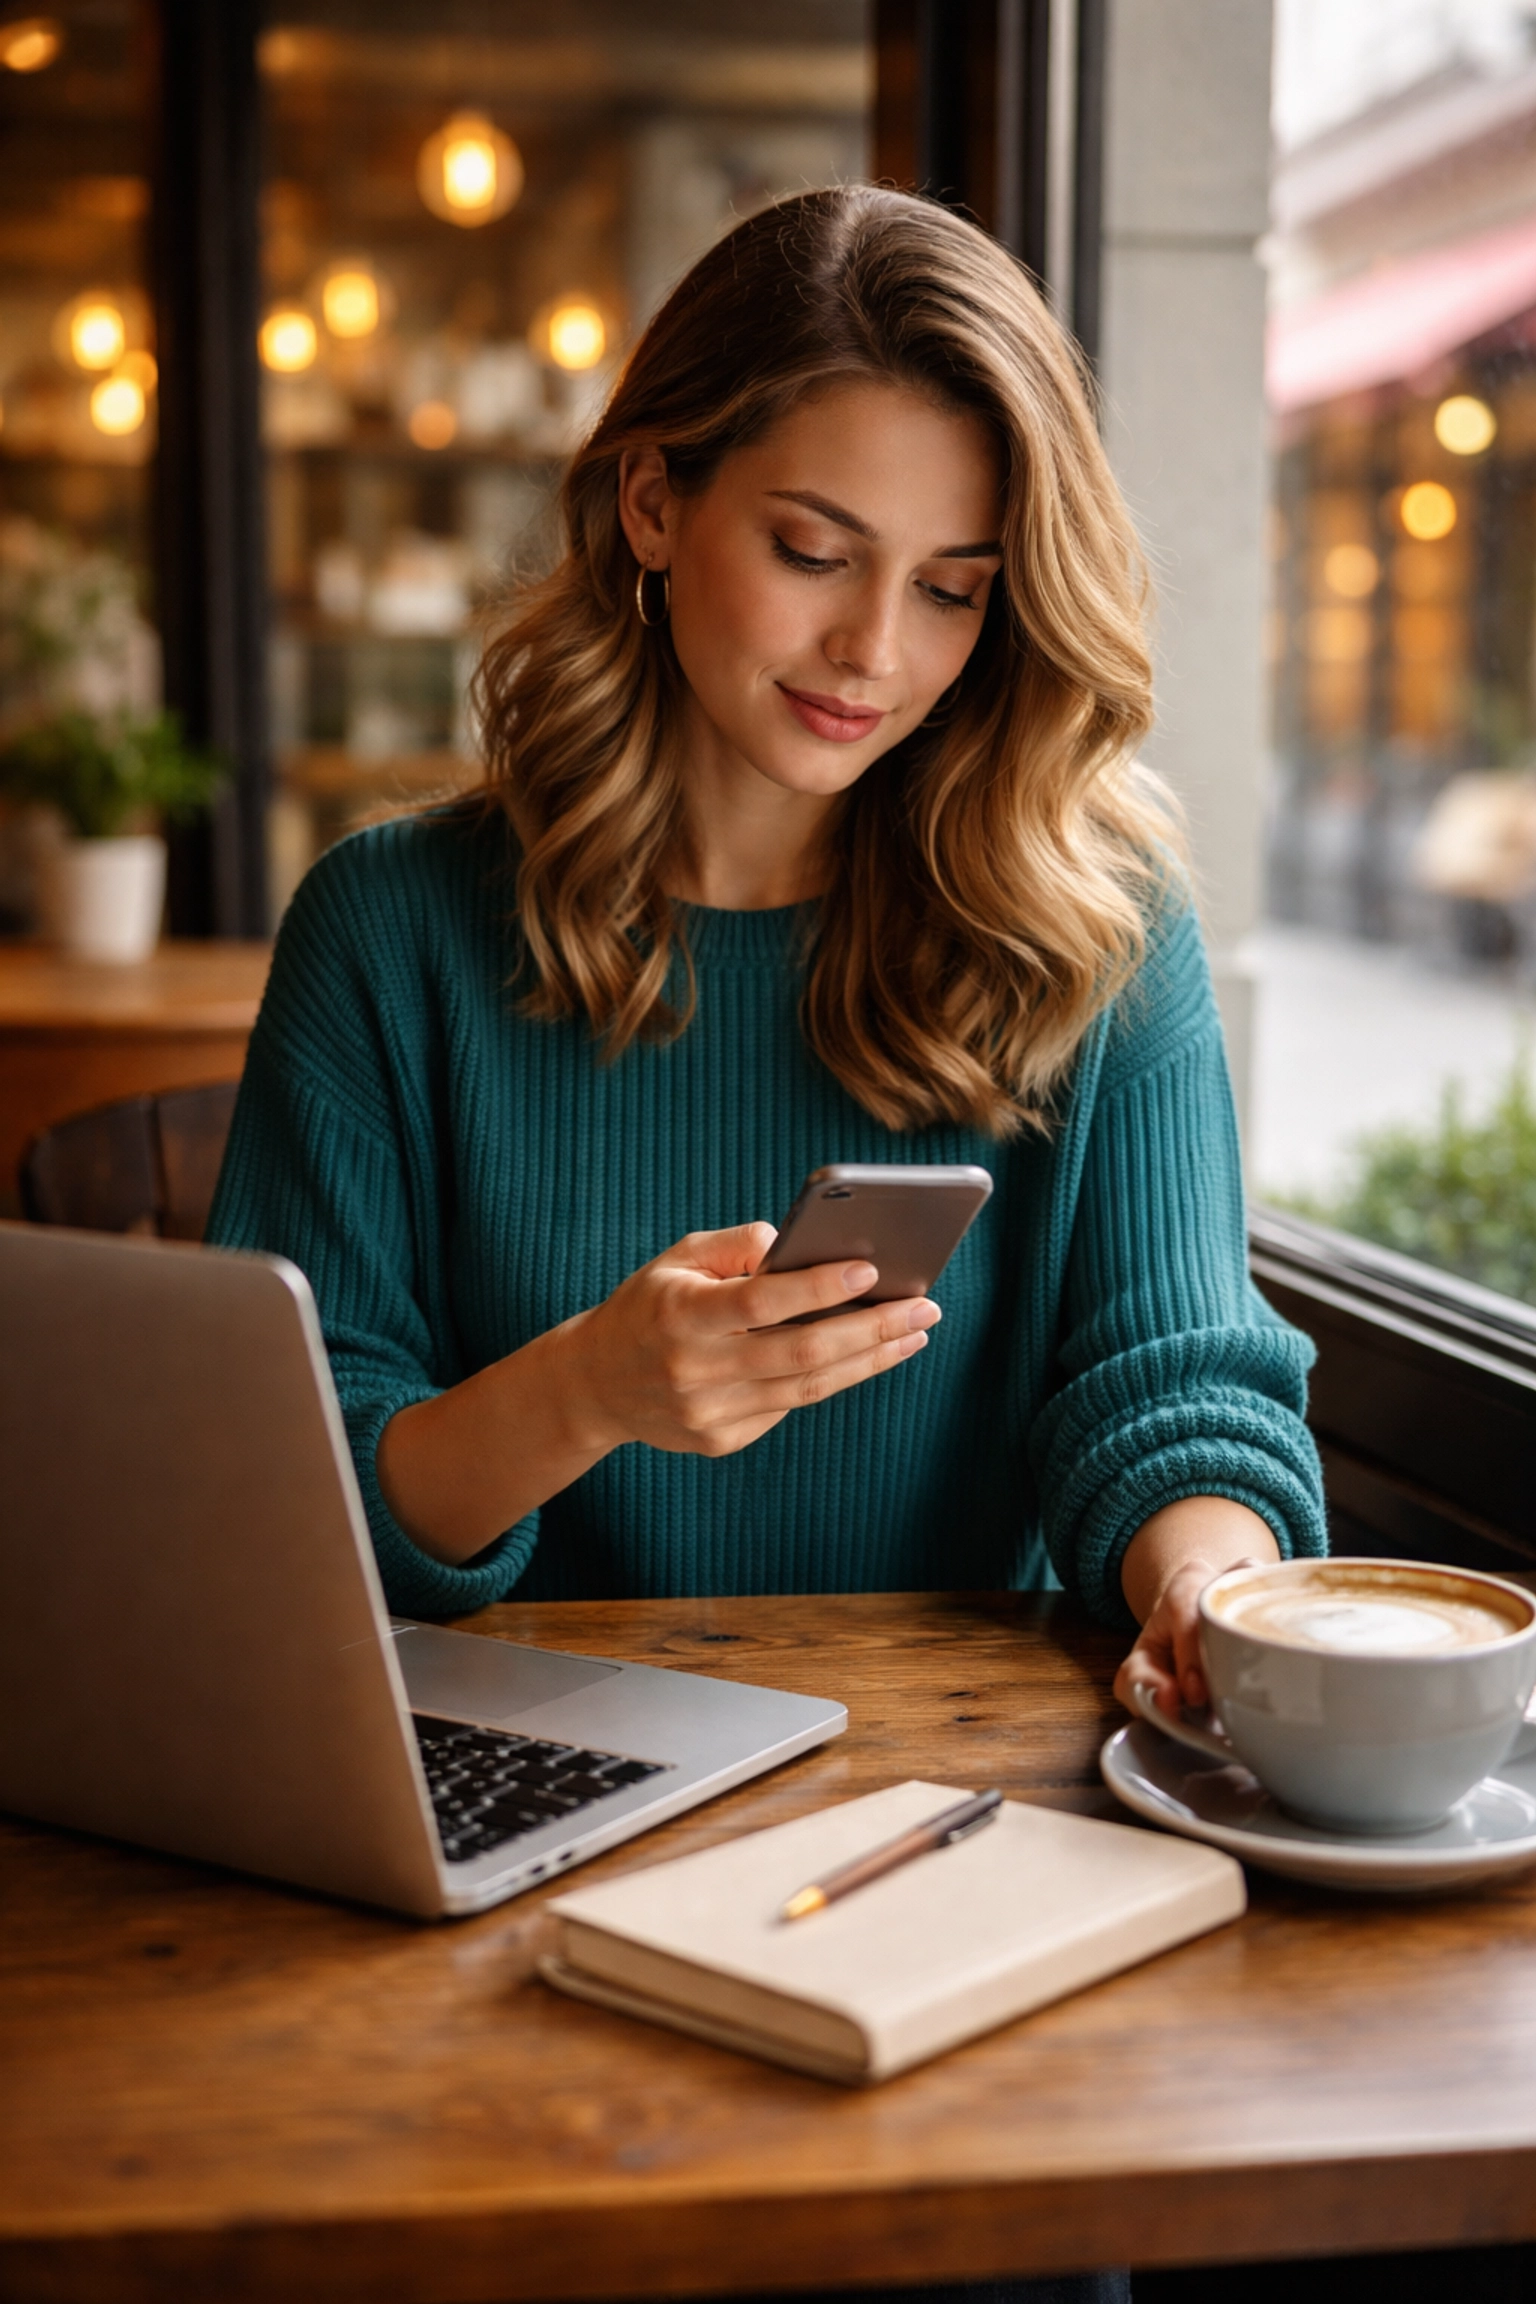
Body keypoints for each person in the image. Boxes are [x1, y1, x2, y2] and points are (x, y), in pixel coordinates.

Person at [209, 178, 1326, 2304]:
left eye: (952, 589)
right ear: (651, 497)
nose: (871, 656)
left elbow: (1168, 1378)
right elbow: (297, 1507)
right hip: (481, 1857)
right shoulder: (390, 932)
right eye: (812, 550)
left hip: (950, 1864)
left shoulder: (1099, 931)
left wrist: (1215, 1598)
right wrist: (590, 1394)